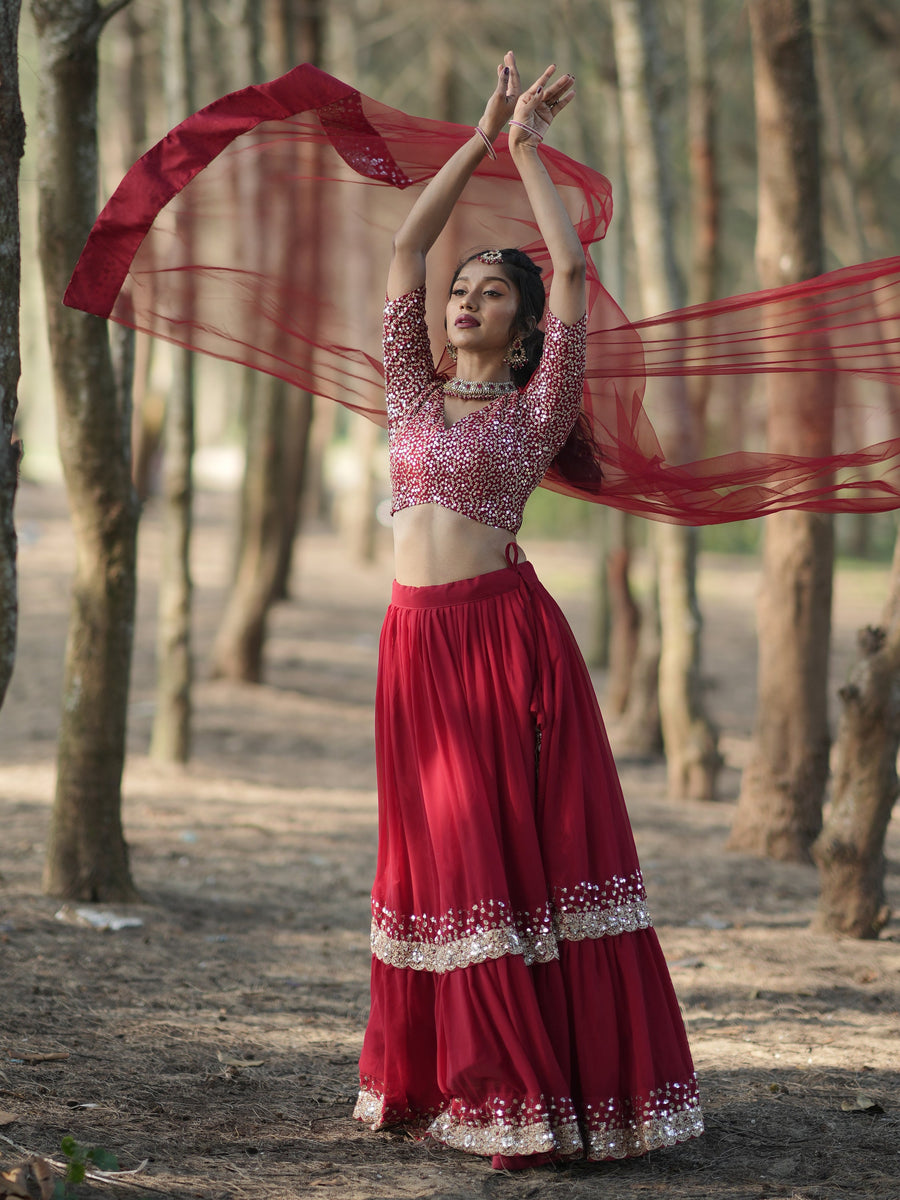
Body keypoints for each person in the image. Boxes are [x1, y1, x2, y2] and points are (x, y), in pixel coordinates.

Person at [352, 51, 703, 1170]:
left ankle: (513, 1095)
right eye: (463, 289)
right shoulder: (411, 384)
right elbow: (408, 246)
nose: (464, 298)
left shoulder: (542, 402)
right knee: (428, 862)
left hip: (500, 647)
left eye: (490, 292)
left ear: (524, 324)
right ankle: (436, 1079)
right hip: (412, 645)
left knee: (492, 864)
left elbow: (572, 256)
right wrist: (477, 134)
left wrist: (527, 154)